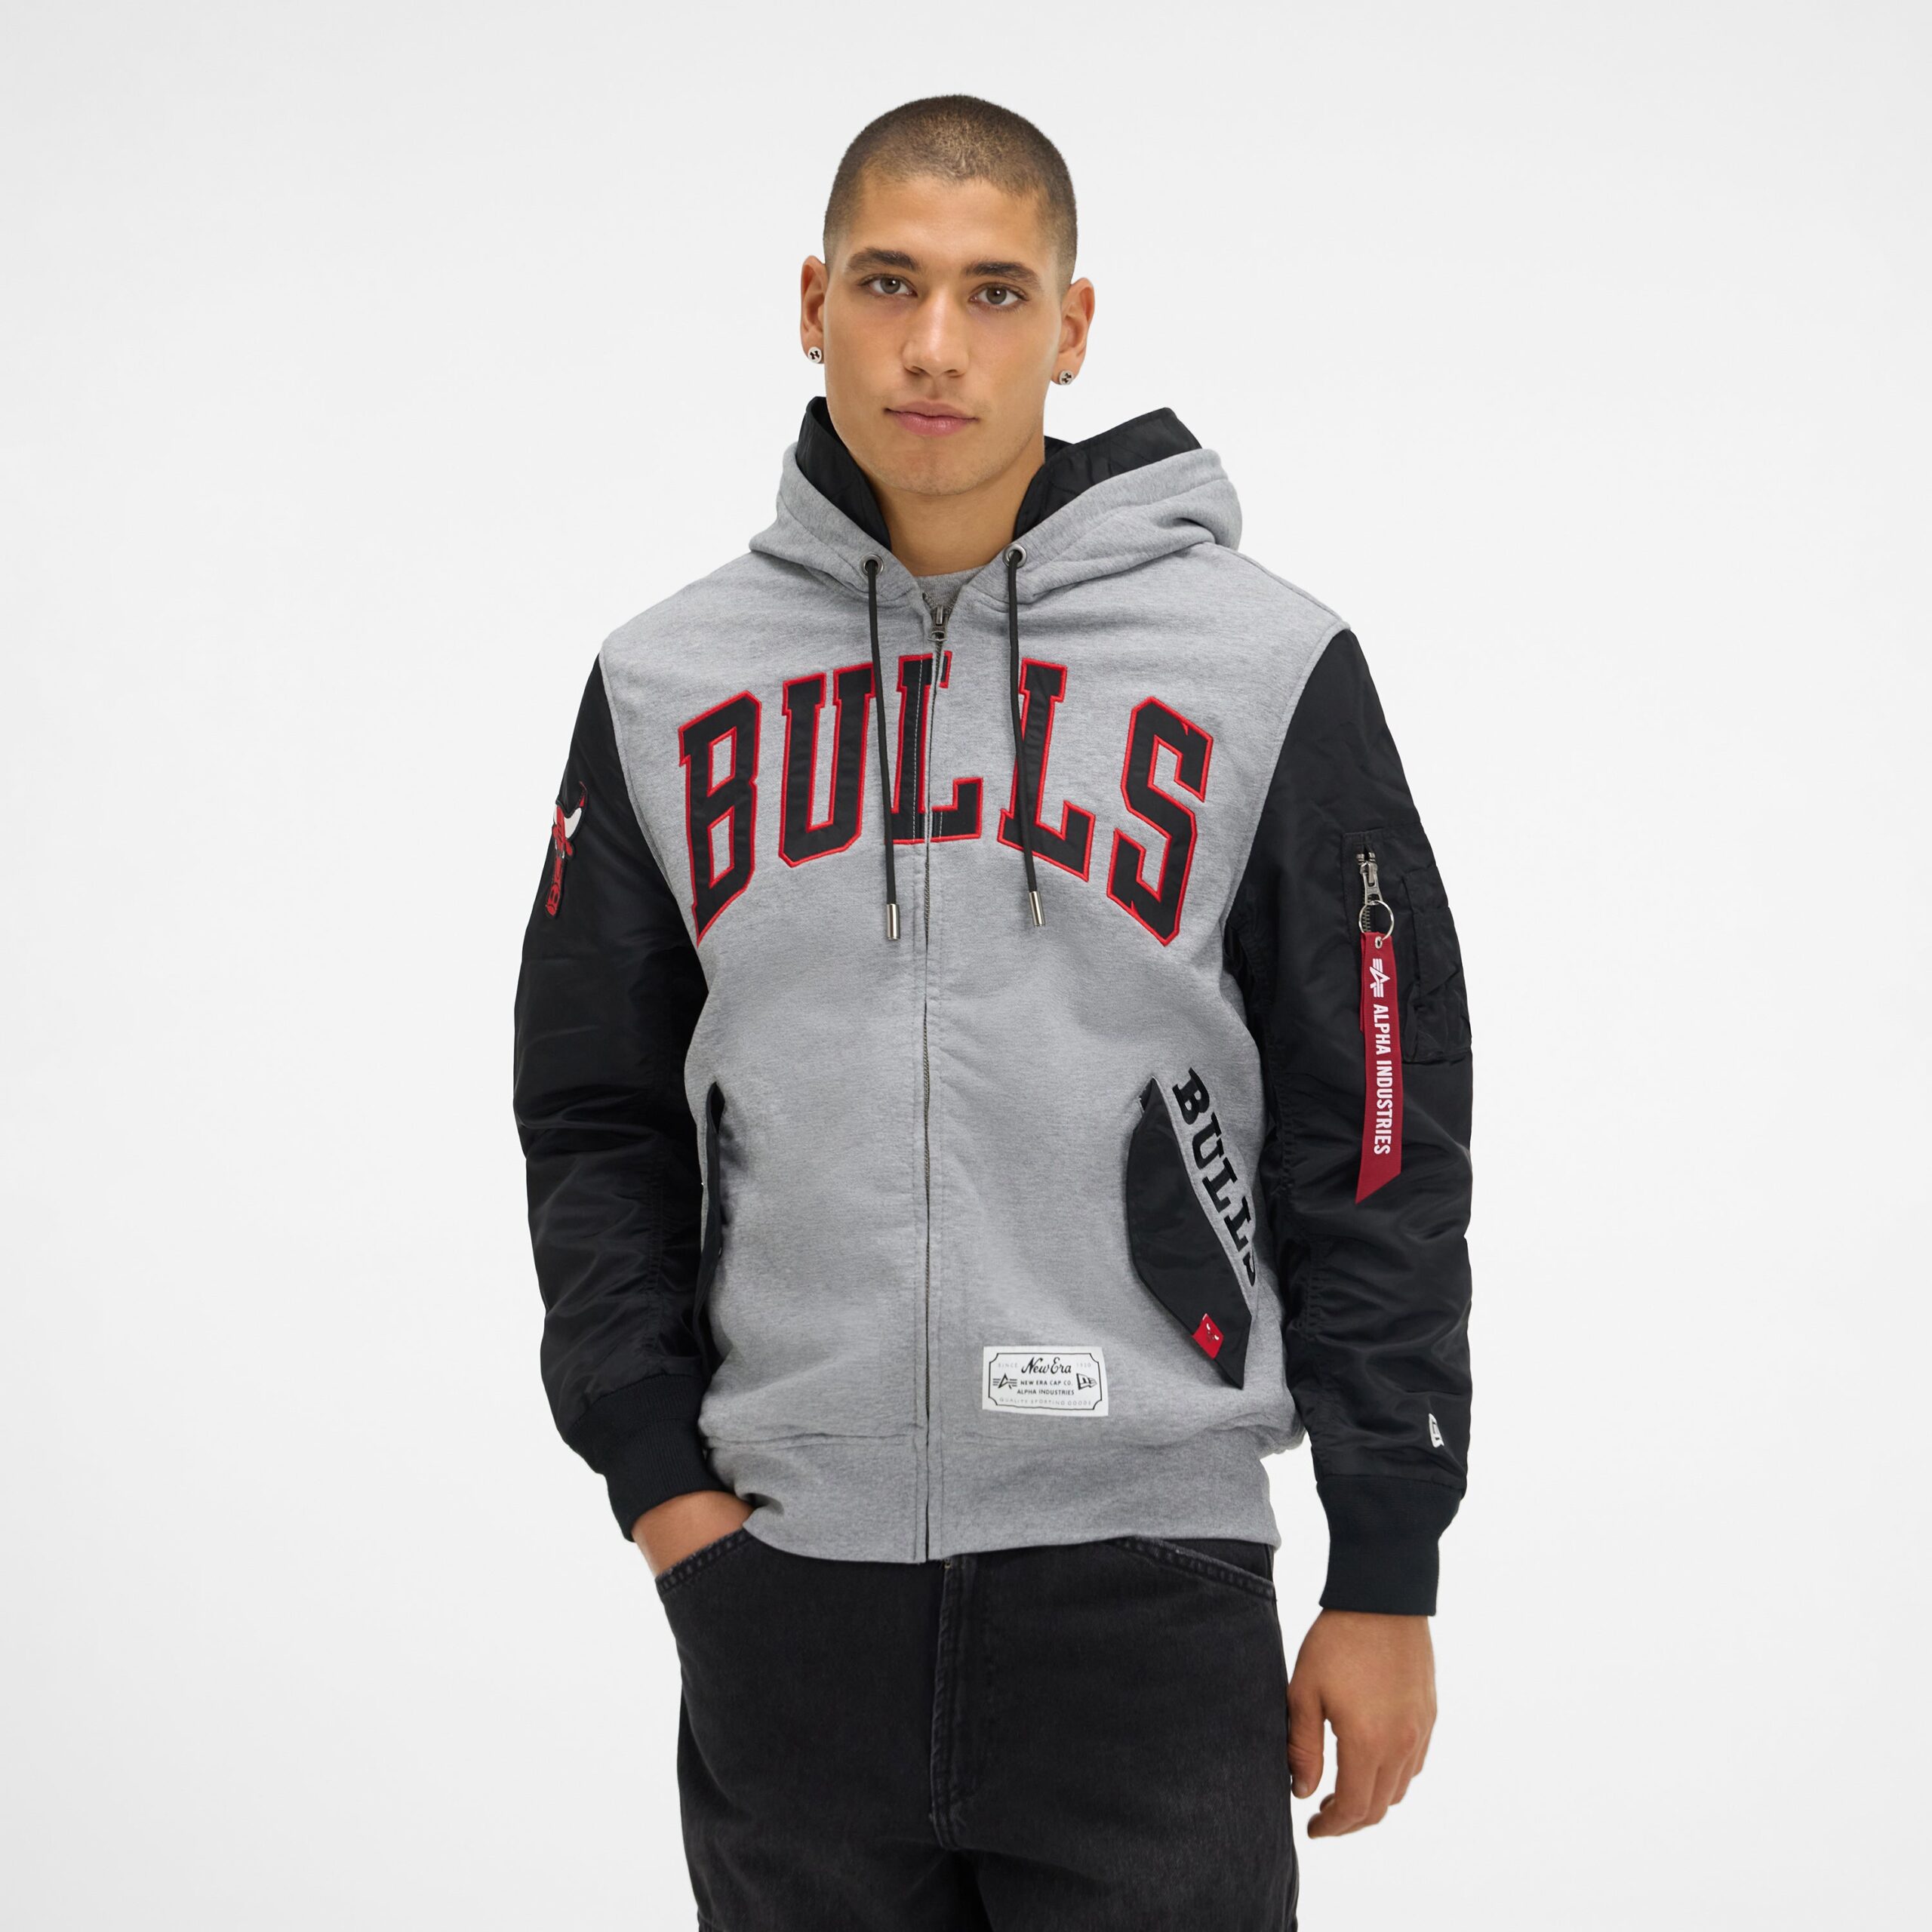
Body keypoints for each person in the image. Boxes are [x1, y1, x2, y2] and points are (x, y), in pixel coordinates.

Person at [512, 93, 1473, 1931]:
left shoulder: (1262, 667)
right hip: (786, 1588)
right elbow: (591, 1111)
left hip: (1147, 1584)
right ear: (812, 303)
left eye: (993, 291)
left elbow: (1372, 1122)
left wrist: (1386, 1559)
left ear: (1072, 325)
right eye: (887, 283)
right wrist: (663, 1491)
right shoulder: (662, 683)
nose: (934, 344)